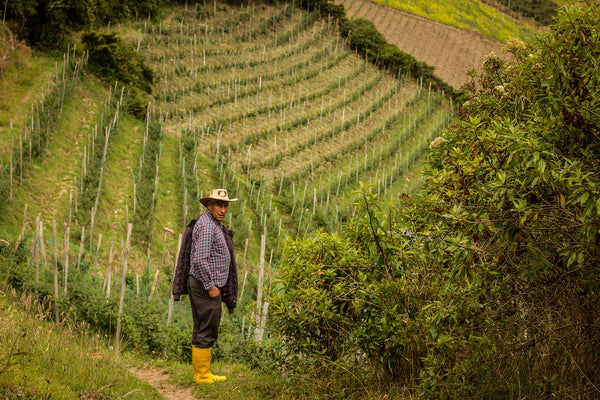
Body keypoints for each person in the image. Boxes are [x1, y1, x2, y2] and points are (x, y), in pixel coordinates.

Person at [173, 188, 238, 384]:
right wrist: (211, 286)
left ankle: (202, 373)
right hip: (205, 286)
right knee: (207, 328)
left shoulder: (212, 223)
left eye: (225, 205)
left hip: (202, 284)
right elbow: (200, 261)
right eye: (219, 205)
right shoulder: (209, 227)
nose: (223, 209)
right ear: (209, 205)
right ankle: (202, 376)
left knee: (202, 326)